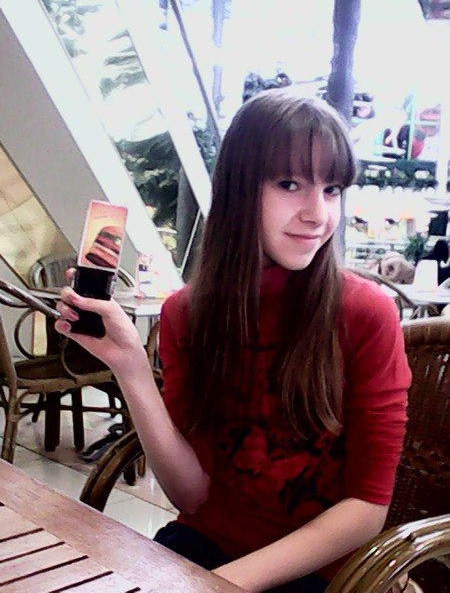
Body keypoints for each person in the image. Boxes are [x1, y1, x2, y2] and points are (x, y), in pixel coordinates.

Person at [55, 91, 411, 592]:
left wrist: (220, 584)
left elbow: (367, 508)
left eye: (332, 189)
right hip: (207, 546)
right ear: (239, 190)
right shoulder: (188, 314)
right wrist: (130, 366)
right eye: (290, 184)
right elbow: (193, 497)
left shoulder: (364, 313)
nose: (318, 214)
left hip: (322, 571)